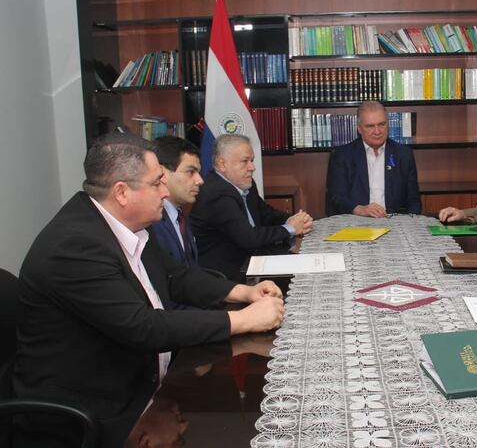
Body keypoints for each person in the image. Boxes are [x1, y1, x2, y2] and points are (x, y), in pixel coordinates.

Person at [13, 133, 285, 448]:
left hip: (144, 384)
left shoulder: (128, 224)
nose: (165, 190)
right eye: (156, 183)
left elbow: (176, 278)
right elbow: (144, 327)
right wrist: (245, 320)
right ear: (122, 192)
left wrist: (243, 293)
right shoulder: (74, 246)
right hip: (92, 411)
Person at [190, 134, 313, 280]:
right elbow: (249, 238)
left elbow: (266, 213)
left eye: (252, 161)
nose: (252, 167)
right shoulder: (215, 193)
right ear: (222, 164)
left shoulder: (244, 182)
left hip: (253, 261)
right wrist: (291, 228)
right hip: (228, 276)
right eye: (245, 161)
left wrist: (296, 219)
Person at [326, 101, 421, 217]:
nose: (377, 131)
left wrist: (407, 224)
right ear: (359, 129)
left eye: (382, 124)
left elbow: (414, 201)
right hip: (356, 223)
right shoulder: (342, 155)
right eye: (370, 126)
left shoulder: (404, 154)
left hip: (395, 222)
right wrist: (359, 209)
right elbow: (336, 198)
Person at [150, 136, 203, 267]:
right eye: (190, 172)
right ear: (162, 173)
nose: (200, 180)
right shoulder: (151, 222)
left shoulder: (180, 215)